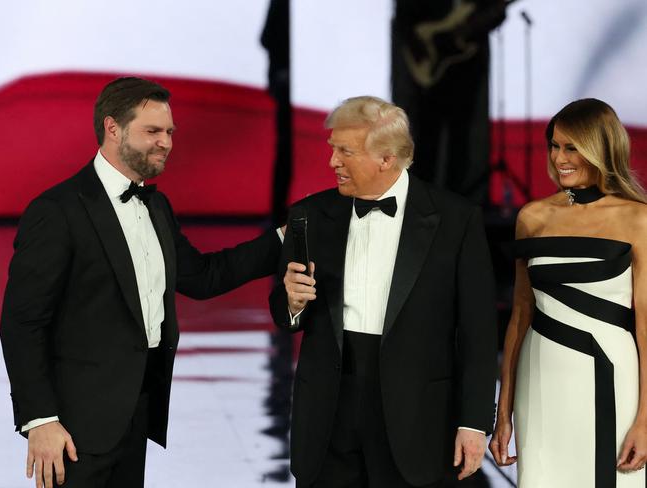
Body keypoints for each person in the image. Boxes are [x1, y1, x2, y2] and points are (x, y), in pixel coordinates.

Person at [0, 77, 283, 488]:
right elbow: (21, 324)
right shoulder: (57, 211)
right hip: (73, 429)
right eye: (152, 131)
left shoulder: (157, 205)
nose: (166, 142)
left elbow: (202, 277)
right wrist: (40, 420)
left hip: (135, 415)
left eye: (169, 132)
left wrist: (283, 240)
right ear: (112, 128)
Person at [269, 96, 498, 487]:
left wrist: (474, 423)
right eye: (332, 149)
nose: (332, 162)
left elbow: (479, 331)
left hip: (416, 416)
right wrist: (291, 302)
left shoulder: (455, 220)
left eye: (345, 151)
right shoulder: (309, 214)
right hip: (329, 412)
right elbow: (286, 310)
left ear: (386, 158)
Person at [489, 98, 647, 487]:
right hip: (539, 379)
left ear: (600, 147)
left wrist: (645, 418)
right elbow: (520, 316)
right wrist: (504, 411)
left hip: (612, 378)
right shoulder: (533, 217)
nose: (560, 157)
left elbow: (646, 319)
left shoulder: (637, 217)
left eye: (572, 146)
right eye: (555, 146)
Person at [391, 0, 507, 205]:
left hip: (466, 63)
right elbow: (407, 14)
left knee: (462, 139)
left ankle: (458, 202)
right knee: (425, 138)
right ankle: (421, 202)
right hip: (426, 59)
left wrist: (492, 15)